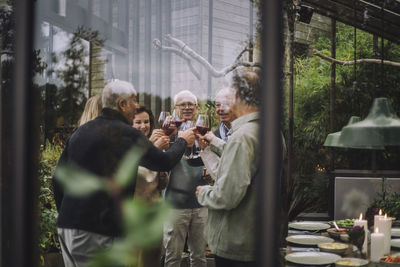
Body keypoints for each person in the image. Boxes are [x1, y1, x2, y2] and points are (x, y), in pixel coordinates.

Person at [52, 80, 195, 267]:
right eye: (134, 101)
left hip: (67, 226)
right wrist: (182, 141)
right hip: (97, 230)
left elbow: (57, 179)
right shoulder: (125, 132)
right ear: (122, 104)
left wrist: (67, 213)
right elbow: (164, 161)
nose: (136, 106)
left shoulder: (81, 132)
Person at [196, 68, 261, 267]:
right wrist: (214, 142)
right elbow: (248, 161)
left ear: (238, 95)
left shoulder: (241, 138)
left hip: (237, 246)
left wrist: (202, 193)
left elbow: (227, 196)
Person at [163, 90, 208, 267]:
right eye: (183, 104)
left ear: (197, 108)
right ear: (175, 108)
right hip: (175, 205)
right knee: (173, 257)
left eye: (191, 104)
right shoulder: (168, 133)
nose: (187, 107)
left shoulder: (204, 132)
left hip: (201, 204)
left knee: (199, 257)